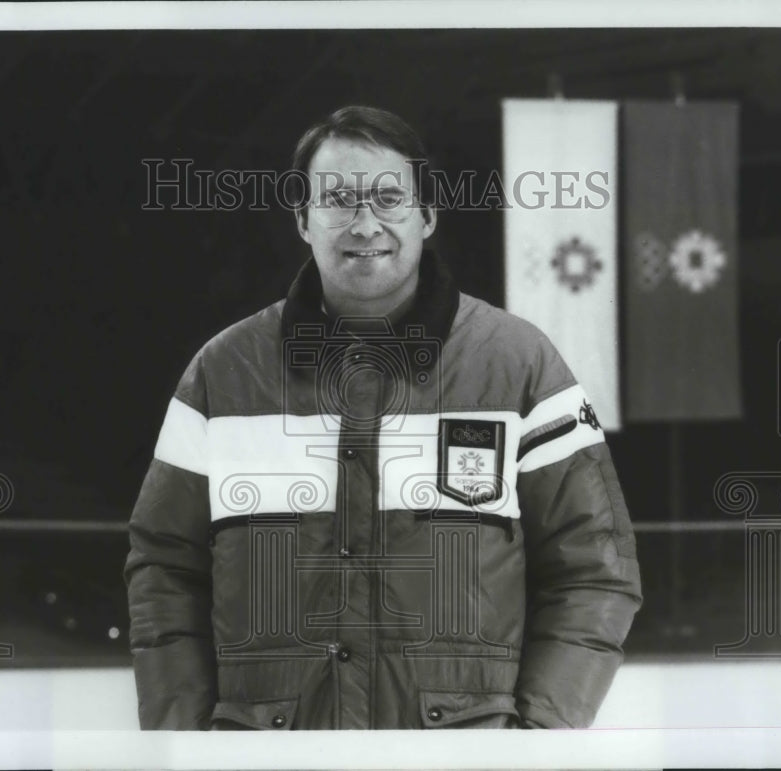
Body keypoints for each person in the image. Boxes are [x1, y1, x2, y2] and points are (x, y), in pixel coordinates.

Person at [124, 105, 642, 730]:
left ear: (426, 216)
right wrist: (183, 747)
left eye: (388, 199)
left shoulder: (521, 366)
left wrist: (536, 742)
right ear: (303, 220)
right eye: (337, 199)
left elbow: (594, 567)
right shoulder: (221, 374)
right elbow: (164, 569)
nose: (364, 223)